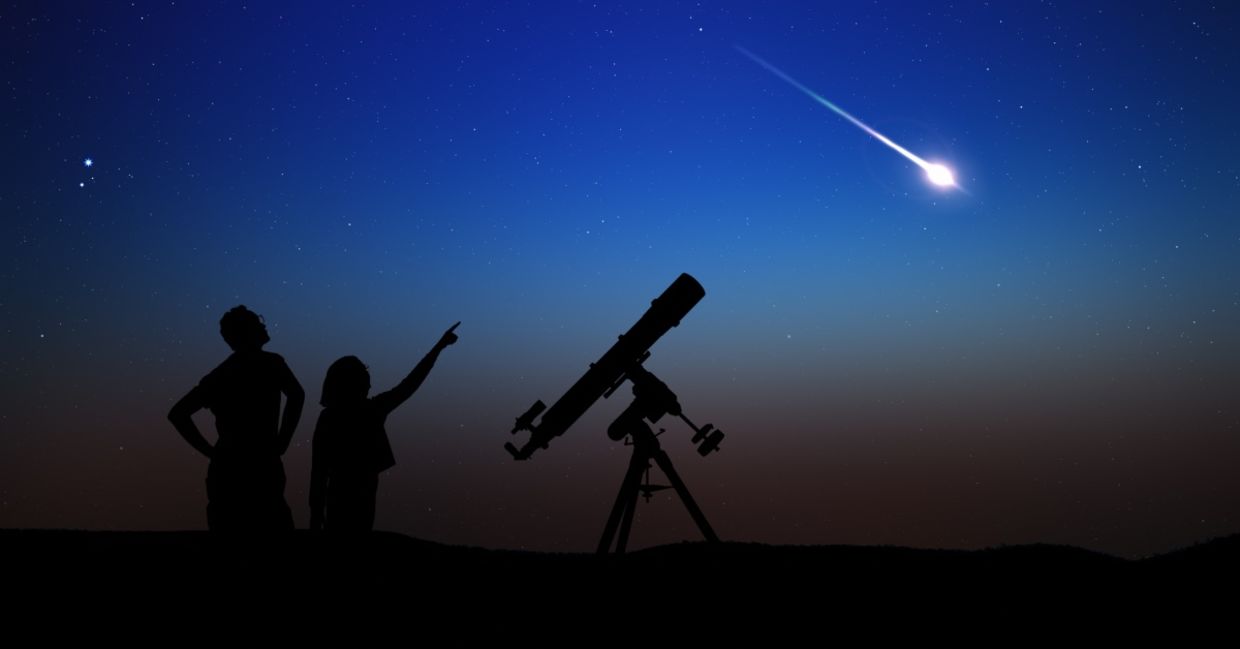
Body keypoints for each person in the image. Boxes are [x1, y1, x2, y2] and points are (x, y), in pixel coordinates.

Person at [309, 322, 459, 531]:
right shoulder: (368, 411)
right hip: (353, 495)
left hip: (343, 496)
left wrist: (315, 514)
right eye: (364, 378)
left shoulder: (332, 417)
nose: (369, 384)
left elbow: (318, 472)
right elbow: (409, 385)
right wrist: (438, 347)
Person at [168, 306, 305, 531]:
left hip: (229, 468)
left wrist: (212, 452)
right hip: (261, 465)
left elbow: (178, 414)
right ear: (248, 331)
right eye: (257, 322)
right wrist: (282, 440)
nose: (263, 325)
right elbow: (297, 395)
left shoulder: (221, 374)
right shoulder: (271, 363)